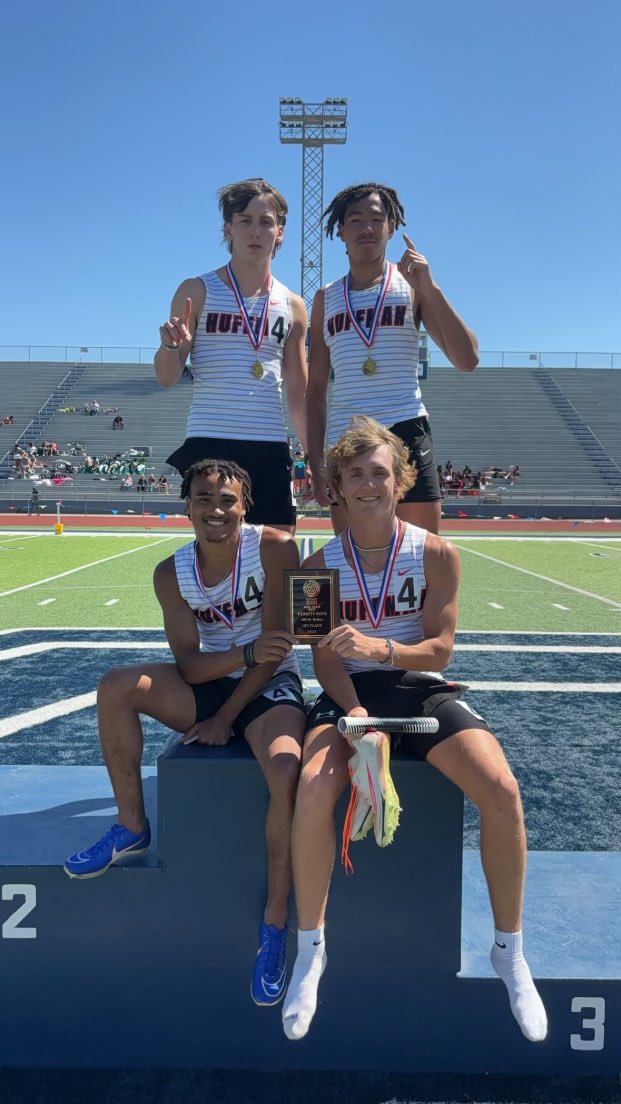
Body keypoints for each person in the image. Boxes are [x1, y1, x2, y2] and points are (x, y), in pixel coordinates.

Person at [281, 416, 547, 1046]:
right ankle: (311, 949)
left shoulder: (436, 552)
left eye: (380, 473)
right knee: (313, 791)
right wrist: (354, 711)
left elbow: (440, 651)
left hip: (412, 681)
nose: (369, 484)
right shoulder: (315, 564)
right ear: (337, 487)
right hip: (349, 694)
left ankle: (509, 950)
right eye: (355, 475)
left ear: (401, 481)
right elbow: (320, 658)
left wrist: (380, 650)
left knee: (502, 791)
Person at [64, 458, 307, 1007]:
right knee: (116, 686)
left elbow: (277, 651)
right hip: (217, 677)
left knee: (286, 770)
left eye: (227, 500)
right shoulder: (170, 572)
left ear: (245, 503)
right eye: (204, 499)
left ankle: (273, 925)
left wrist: (227, 716)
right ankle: (132, 825)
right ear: (187, 506)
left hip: (268, 688)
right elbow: (192, 666)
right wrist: (238, 659)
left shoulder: (273, 547)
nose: (216, 511)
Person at [306, 183, 479, 536]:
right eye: (355, 220)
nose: (366, 228)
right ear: (340, 231)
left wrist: (431, 288)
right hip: (347, 437)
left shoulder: (412, 284)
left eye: (376, 218)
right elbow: (315, 389)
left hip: (406, 426)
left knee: (422, 553)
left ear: (392, 227)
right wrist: (315, 459)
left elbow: (467, 359)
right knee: (353, 557)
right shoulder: (325, 298)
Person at [154, 178, 308, 532]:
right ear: (229, 229)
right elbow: (166, 377)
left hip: (269, 442)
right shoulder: (197, 290)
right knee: (217, 554)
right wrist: (171, 347)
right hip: (210, 440)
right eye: (245, 221)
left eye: (266, 221)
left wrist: (312, 453)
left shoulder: (294, 305)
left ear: (280, 232)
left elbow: (298, 390)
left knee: (279, 549)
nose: (256, 231)